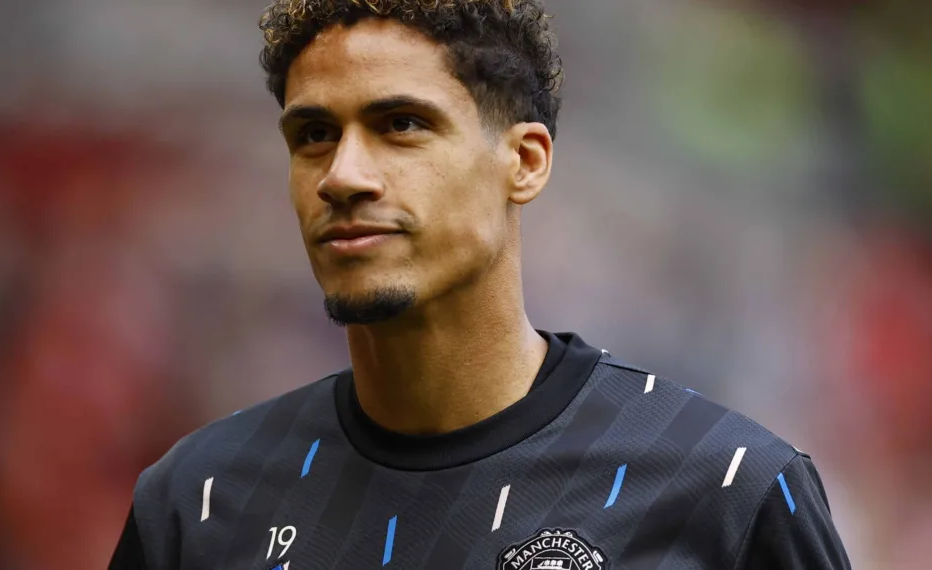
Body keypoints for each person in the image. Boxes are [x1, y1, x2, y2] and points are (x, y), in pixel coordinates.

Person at [108, 1, 851, 568]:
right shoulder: (197, 500)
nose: (342, 176)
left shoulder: (726, 487)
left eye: (401, 124)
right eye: (314, 136)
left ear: (524, 162)